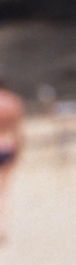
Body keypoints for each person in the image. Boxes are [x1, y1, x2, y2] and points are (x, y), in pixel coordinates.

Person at [0, 75, 24, 242]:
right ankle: (2, 228)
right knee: (3, 189)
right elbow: (18, 131)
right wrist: (19, 150)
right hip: (7, 146)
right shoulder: (13, 102)